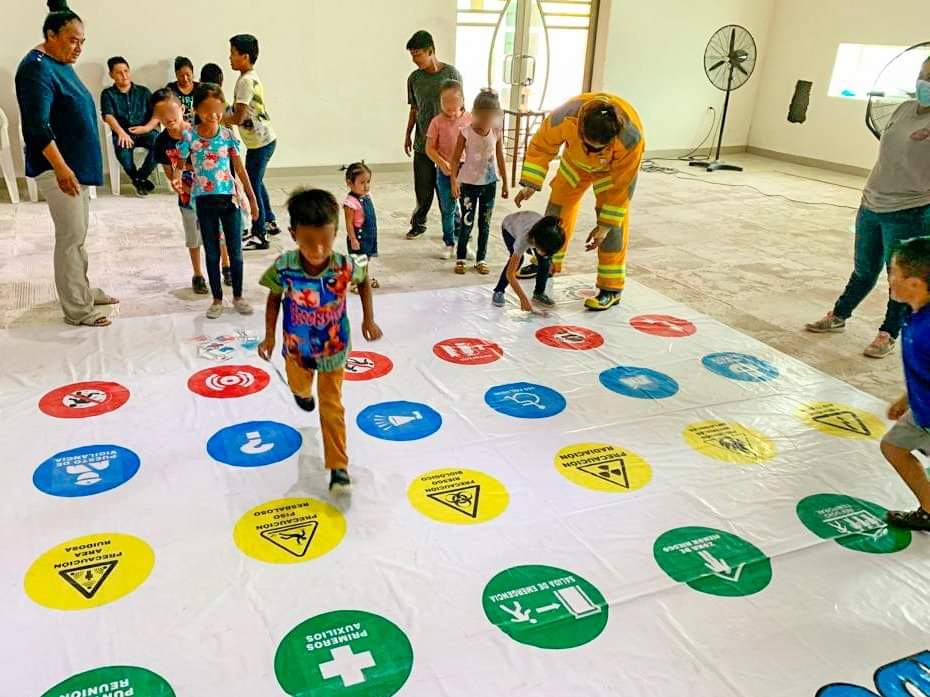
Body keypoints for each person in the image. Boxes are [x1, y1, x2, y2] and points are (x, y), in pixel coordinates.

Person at [258, 188, 383, 493]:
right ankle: (301, 393)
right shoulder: (284, 267)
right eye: (308, 241)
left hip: (333, 350)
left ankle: (338, 468)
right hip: (297, 350)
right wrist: (269, 336)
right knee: (300, 387)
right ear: (293, 235)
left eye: (325, 241)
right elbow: (274, 299)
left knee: (331, 406)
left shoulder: (344, 266)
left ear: (336, 233)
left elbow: (363, 282)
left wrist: (368, 319)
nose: (317, 249)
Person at [805, 58, 930, 359]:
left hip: (909, 210)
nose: (924, 83)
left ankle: (888, 333)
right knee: (864, 269)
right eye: (923, 75)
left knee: (900, 278)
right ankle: (839, 315)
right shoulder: (903, 109)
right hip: (872, 202)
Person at [16, 0, 117, 327]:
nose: (78, 48)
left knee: (78, 235)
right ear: (51, 35)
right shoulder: (36, 69)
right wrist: (61, 168)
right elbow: (36, 126)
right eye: (72, 40)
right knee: (70, 239)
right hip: (59, 170)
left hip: (74, 166)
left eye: (82, 41)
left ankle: (82, 290)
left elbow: (60, 9)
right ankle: (78, 309)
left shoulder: (57, 60)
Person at [515, 93, 645, 311]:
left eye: (598, 148)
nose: (591, 151)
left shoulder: (630, 139)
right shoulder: (564, 116)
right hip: (574, 165)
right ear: (580, 128)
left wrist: (605, 226)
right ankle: (547, 263)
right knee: (556, 213)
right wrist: (531, 182)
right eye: (588, 145)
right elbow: (541, 146)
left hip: (610, 174)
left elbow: (622, 187)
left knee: (613, 226)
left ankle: (611, 288)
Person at [176, 83, 258, 319]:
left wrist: (252, 199)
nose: (213, 116)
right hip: (204, 202)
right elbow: (179, 165)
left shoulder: (228, 136)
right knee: (212, 253)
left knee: (235, 252)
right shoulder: (189, 136)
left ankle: (238, 296)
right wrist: (177, 179)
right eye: (207, 111)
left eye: (218, 111)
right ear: (197, 111)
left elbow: (240, 170)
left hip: (230, 200)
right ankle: (217, 299)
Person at [152, 88, 236, 295]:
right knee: (193, 237)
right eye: (162, 114)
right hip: (187, 197)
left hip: (214, 194)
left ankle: (226, 266)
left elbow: (222, 163)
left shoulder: (199, 132)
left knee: (220, 232)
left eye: (172, 112)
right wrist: (181, 186)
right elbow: (170, 171)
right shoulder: (161, 142)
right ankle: (198, 275)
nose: (168, 118)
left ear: (182, 109)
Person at [881, 237, 930, 530]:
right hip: (921, 409)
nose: (889, 280)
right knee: (893, 446)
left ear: (914, 283)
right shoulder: (913, 311)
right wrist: (907, 398)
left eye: (894, 274)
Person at [404, 30, 462, 240]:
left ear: (431, 51)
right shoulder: (414, 78)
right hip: (423, 144)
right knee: (423, 189)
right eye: (412, 55)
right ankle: (419, 223)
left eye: (418, 54)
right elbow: (414, 109)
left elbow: (461, 108)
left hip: (448, 146)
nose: (414, 59)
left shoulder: (452, 74)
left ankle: (456, 225)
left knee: (449, 189)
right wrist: (408, 134)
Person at [225, 33, 280, 251]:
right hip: (262, 141)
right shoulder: (248, 77)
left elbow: (238, 118)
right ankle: (269, 220)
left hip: (261, 143)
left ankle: (260, 234)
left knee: (253, 186)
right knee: (257, 180)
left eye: (232, 53)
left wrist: (216, 118)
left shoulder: (246, 82)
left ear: (245, 56)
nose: (230, 58)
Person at [450, 89, 508, 275]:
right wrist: (453, 181)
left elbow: (500, 157)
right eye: (481, 118)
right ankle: (460, 258)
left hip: (489, 184)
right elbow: (455, 159)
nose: (484, 123)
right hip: (468, 184)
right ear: (474, 114)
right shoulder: (465, 133)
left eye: (489, 119)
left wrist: (505, 182)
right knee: (467, 222)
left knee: (485, 224)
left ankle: (481, 259)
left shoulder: (496, 131)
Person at [100, 56, 158, 197]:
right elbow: (108, 115)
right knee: (124, 154)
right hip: (123, 133)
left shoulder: (144, 92)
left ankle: (140, 178)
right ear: (111, 75)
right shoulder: (108, 94)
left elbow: (157, 114)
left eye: (126, 71)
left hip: (144, 131)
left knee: (161, 144)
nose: (124, 75)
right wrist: (121, 132)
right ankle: (139, 180)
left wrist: (146, 128)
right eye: (119, 72)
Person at [426, 79, 470, 259]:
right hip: (445, 171)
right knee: (448, 209)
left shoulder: (470, 119)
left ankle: (464, 243)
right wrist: (442, 163)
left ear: (462, 101)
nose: (450, 106)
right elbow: (430, 148)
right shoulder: (436, 122)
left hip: (467, 170)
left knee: (467, 208)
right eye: (445, 101)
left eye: (454, 101)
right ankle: (449, 242)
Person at [492, 212, 565, 310]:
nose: (546, 253)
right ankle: (499, 291)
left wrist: (550, 260)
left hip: (531, 227)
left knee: (545, 261)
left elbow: (548, 250)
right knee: (519, 260)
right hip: (509, 228)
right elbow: (510, 274)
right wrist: (523, 299)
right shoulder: (523, 240)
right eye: (544, 251)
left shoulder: (549, 231)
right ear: (535, 243)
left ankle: (539, 293)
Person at [343, 162, 379, 289]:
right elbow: (349, 223)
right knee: (359, 261)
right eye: (362, 183)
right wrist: (353, 239)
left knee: (365, 259)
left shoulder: (367, 196)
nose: (366, 186)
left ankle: (364, 279)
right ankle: (356, 283)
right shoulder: (350, 203)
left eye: (368, 182)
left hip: (369, 235)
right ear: (350, 183)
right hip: (359, 237)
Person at [167, 56, 198, 123]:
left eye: (188, 75)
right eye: (181, 76)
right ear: (176, 75)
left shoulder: (199, 88)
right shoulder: (171, 89)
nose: (185, 79)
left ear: (192, 73)